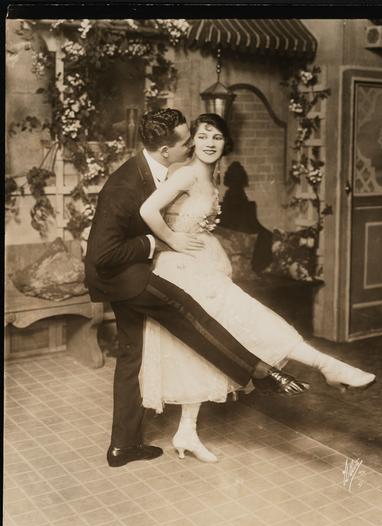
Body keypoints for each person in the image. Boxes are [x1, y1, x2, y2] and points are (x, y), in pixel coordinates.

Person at [138, 113, 376, 463]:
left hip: (201, 268)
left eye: (217, 137)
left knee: (208, 344)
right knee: (244, 322)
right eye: (202, 136)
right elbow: (148, 210)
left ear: (226, 142)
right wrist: (173, 240)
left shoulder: (210, 178)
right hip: (182, 270)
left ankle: (186, 431)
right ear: (192, 141)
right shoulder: (186, 173)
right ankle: (327, 365)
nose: (209, 143)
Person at [85, 109, 310, 468]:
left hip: (134, 269)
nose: (193, 145)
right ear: (165, 150)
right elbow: (102, 254)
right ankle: (259, 372)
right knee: (190, 313)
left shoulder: (159, 170)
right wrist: (158, 242)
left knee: (131, 354)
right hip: (120, 275)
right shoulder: (124, 183)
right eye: (187, 141)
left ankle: (122, 447)